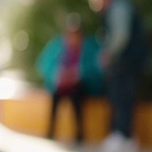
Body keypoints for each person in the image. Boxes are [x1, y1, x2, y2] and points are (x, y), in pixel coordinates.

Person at [88, 0, 149, 152]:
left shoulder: (119, 6)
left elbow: (121, 35)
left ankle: (124, 136)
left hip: (127, 61)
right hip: (126, 61)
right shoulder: (117, 6)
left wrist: (109, 53)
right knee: (121, 96)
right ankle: (122, 136)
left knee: (122, 97)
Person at [35, 14, 103, 143]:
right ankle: (51, 132)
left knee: (76, 99)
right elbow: (43, 64)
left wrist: (78, 74)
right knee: (55, 99)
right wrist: (57, 75)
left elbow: (98, 66)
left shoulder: (90, 46)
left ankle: (79, 134)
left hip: (80, 85)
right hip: (60, 85)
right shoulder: (57, 45)